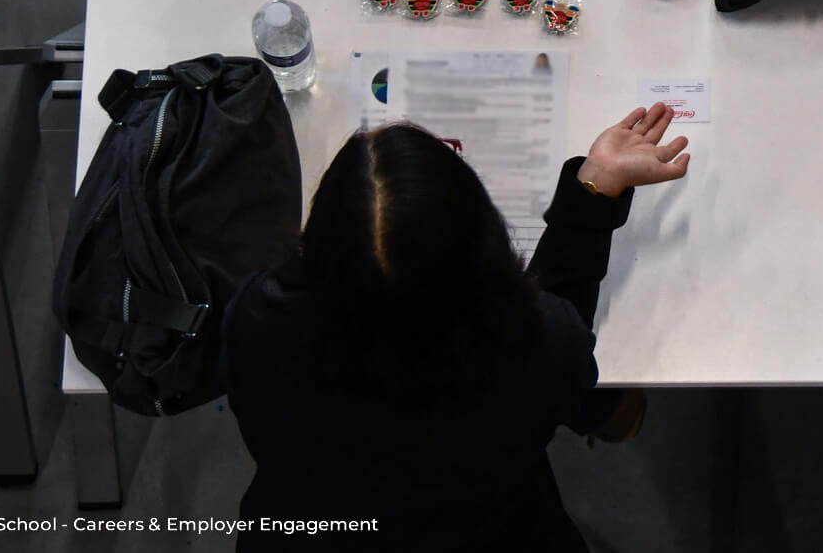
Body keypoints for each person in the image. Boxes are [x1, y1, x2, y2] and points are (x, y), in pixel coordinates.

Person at [221, 104, 691, 550]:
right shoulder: (539, 350)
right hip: (489, 535)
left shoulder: (256, 319)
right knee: (608, 402)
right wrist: (593, 190)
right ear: (481, 240)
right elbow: (549, 332)